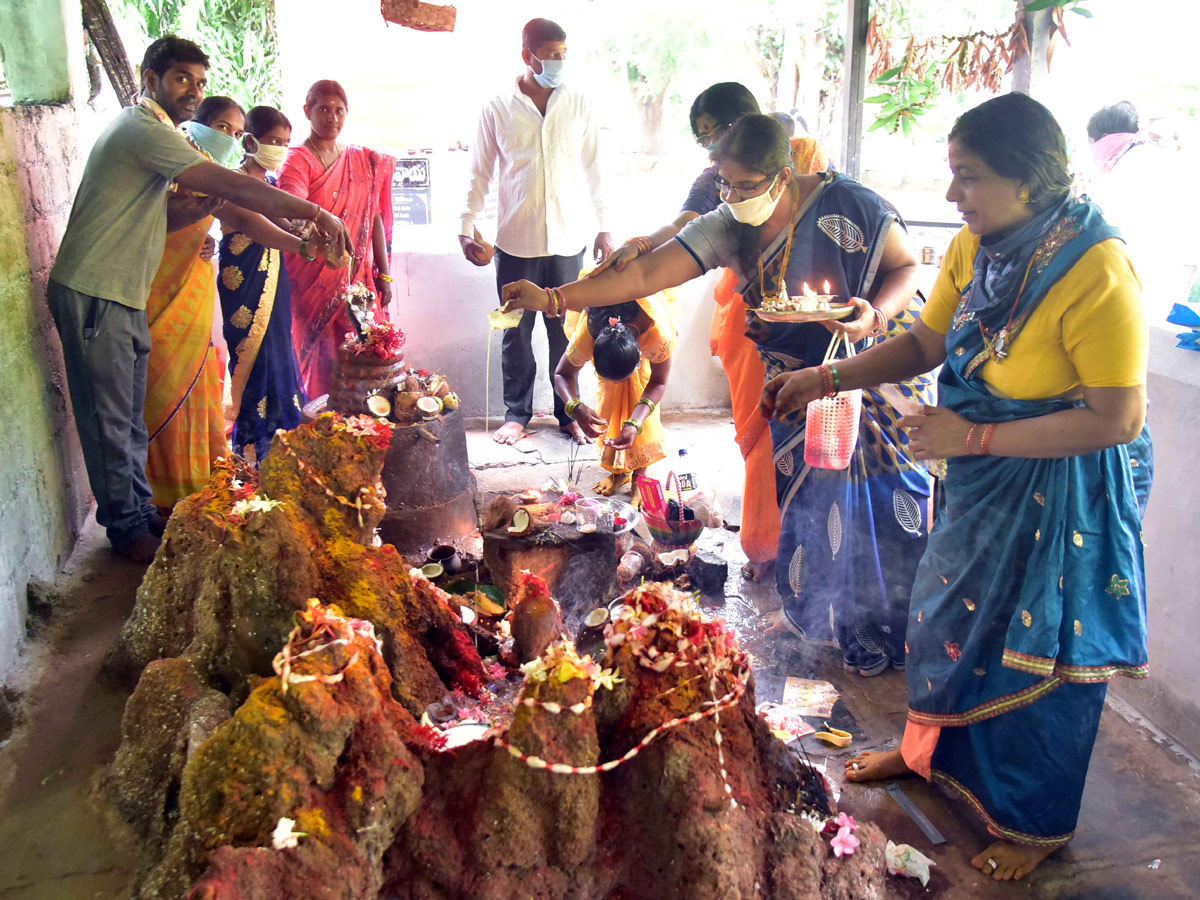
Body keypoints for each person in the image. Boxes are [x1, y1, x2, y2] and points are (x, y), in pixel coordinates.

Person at [758, 93, 1151, 880]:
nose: (951, 198)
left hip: (1062, 493)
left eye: (967, 178)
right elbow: (926, 341)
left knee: (1035, 654)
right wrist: (825, 373)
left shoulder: (1097, 267)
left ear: (1029, 179)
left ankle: (1033, 823)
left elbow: (1115, 417)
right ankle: (926, 755)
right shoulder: (983, 247)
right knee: (945, 619)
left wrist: (969, 435)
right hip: (980, 477)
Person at [504, 115, 933, 675]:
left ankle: (894, 626)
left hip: (880, 363)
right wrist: (553, 299)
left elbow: (904, 266)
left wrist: (874, 313)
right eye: (725, 185)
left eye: (745, 186)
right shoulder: (731, 223)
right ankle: (822, 618)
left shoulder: (850, 205)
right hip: (801, 375)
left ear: (783, 176)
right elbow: (645, 276)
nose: (732, 197)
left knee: (883, 495)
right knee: (811, 491)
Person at [47, 35, 351, 562]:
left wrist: (301, 243)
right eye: (182, 78)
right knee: (110, 419)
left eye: (200, 81)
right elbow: (229, 190)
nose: (193, 90)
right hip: (97, 288)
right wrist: (318, 215)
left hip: (122, 291)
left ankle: (141, 514)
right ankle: (126, 529)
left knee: (128, 417)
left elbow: (231, 211)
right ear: (151, 79)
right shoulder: (143, 128)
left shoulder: (166, 137)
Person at [591, 82, 831, 582]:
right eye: (702, 139)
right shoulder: (717, 180)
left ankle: (806, 552)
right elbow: (685, 227)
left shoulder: (799, 159)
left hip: (809, 319)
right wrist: (640, 243)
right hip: (751, 313)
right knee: (759, 432)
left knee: (805, 436)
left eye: (713, 132)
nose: (709, 147)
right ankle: (768, 547)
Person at [459, 17, 614, 445]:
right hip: (516, 241)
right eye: (551, 56)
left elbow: (596, 168)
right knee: (516, 330)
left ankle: (569, 413)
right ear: (527, 56)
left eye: (564, 55)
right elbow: (479, 174)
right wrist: (464, 226)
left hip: (569, 240)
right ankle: (516, 413)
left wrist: (605, 226)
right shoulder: (498, 108)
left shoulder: (579, 103)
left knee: (567, 332)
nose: (559, 63)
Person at [142, 95, 243, 509]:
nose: (231, 138)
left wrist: (211, 236)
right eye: (223, 128)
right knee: (162, 381)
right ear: (199, 124)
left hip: (194, 283)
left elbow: (217, 217)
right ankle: (162, 494)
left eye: (238, 133)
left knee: (197, 377)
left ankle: (200, 480)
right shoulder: (171, 157)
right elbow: (151, 217)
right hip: (158, 287)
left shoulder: (216, 170)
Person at [278, 79, 396, 400]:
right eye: (323, 110)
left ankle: (367, 429)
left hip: (358, 283)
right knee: (321, 364)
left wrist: (383, 275)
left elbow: (373, 220)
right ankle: (325, 430)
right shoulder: (298, 159)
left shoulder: (362, 161)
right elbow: (291, 207)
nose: (332, 118)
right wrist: (318, 234)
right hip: (313, 281)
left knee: (367, 355)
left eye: (339, 111)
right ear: (307, 111)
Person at [217, 106, 315, 464]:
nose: (280, 149)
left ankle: (283, 440)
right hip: (244, 279)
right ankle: (252, 448)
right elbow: (259, 224)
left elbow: (285, 222)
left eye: (286, 143)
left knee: (278, 349)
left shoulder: (270, 186)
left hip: (276, 276)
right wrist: (305, 240)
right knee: (253, 356)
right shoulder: (232, 181)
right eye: (274, 141)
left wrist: (311, 232)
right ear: (249, 141)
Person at [555, 296, 675, 495]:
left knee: (640, 388)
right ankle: (619, 471)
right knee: (610, 397)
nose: (616, 383)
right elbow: (562, 374)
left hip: (645, 294)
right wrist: (574, 407)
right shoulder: (588, 335)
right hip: (606, 304)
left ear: (639, 356)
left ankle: (640, 476)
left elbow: (658, 382)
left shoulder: (656, 335)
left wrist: (635, 423)